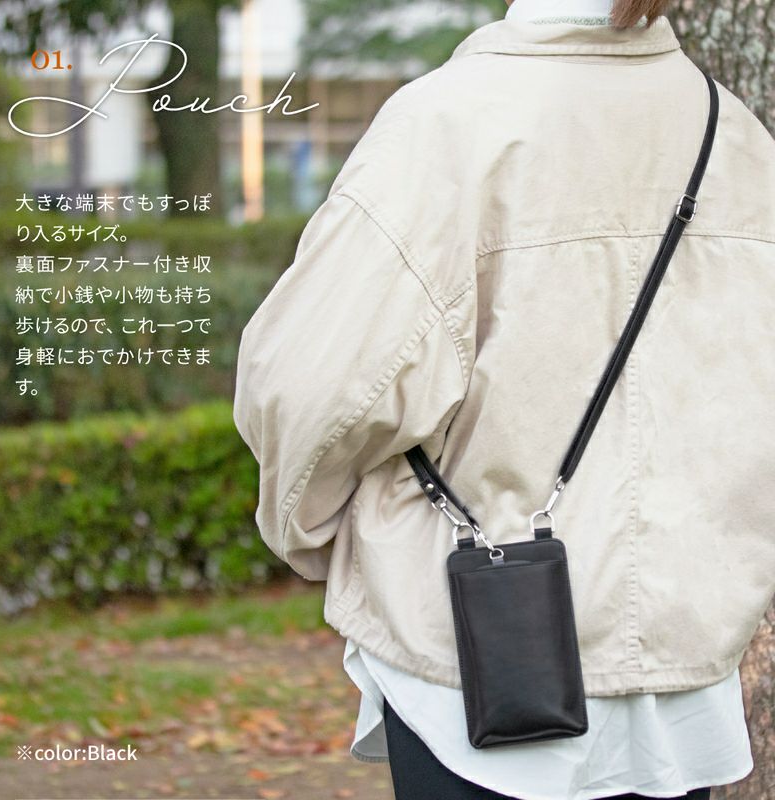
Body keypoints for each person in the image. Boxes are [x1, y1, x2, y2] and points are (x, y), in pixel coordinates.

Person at [232, 0, 775, 797]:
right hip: (684, 687)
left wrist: (309, 532)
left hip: (474, 662)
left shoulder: (447, 126)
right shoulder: (738, 141)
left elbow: (308, 391)